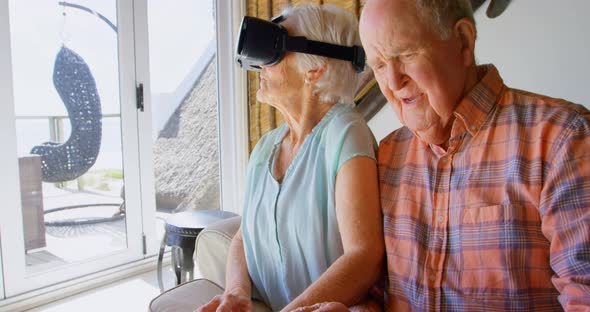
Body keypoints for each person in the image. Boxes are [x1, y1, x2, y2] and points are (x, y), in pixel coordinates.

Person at [354, 0, 590, 310]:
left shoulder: (562, 137)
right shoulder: (385, 157)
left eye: (406, 54)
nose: (394, 82)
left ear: (464, 41)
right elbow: (377, 295)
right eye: (380, 65)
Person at [197, 4, 383, 312]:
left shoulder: (345, 133)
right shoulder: (264, 149)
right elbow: (244, 239)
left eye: (273, 49)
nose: (259, 66)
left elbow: (365, 256)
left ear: (315, 69)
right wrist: (236, 293)